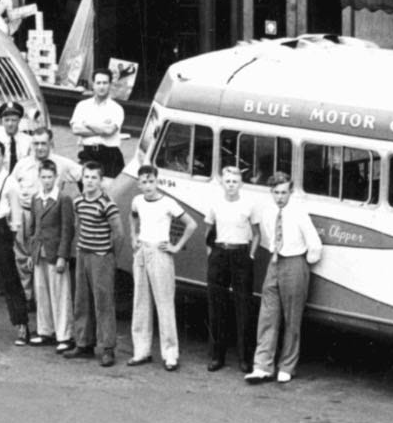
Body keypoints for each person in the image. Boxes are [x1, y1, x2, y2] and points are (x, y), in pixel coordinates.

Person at [250, 171, 324, 386]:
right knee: (267, 315)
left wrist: (305, 262)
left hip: (294, 263)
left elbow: (315, 243)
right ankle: (262, 365)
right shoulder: (268, 212)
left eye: (284, 192)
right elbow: (269, 236)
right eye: (276, 193)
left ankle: (287, 366)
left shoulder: (299, 213)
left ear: (290, 192)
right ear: (271, 193)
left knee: (292, 318)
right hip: (275, 263)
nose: (280, 197)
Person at [128, 164, 199, 371]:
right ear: (139, 184)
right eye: (143, 182)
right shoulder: (137, 201)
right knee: (140, 302)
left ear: (157, 181)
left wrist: (175, 246)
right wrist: (134, 237)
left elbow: (191, 224)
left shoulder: (168, 202)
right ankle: (141, 350)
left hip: (161, 254)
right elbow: (132, 216)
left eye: (151, 181)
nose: (148, 186)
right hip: (142, 252)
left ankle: (170, 354)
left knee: (164, 303)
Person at [65, 146, 129, 366]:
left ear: (101, 181)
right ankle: (84, 343)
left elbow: (119, 234)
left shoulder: (107, 205)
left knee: (103, 302)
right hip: (83, 255)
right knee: (81, 300)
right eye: (87, 177)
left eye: (94, 178)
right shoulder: (79, 202)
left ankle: (108, 347)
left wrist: (109, 255)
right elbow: (78, 225)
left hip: (101, 258)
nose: (90, 181)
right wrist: (80, 250)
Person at [202, 164, 263, 374]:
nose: (231, 185)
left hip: (240, 254)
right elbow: (208, 231)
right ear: (222, 183)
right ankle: (217, 356)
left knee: (243, 307)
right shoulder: (215, 203)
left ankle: (245, 359)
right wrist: (211, 252)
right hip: (219, 253)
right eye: (228, 181)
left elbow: (256, 234)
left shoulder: (249, 204)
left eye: (235, 181)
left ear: (241, 184)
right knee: (216, 307)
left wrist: (251, 255)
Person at [0, 138, 32, 338]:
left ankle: (22, 324)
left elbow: (16, 214)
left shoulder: (9, 182)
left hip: (0, 229)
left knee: (8, 277)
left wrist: (12, 232)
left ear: (3, 158)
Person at [23, 158, 69, 346]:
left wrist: (62, 256)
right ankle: (45, 330)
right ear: (39, 177)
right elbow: (33, 228)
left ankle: (64, 335)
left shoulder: (62, 199)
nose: (47, 180)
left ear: (56, 177)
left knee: (60, 295)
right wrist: (30, 253)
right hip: (39, 254)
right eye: (43, 177)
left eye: (50, 177)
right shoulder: (36, 198)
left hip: (54, 253)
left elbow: (67, 230)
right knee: (41, 293)